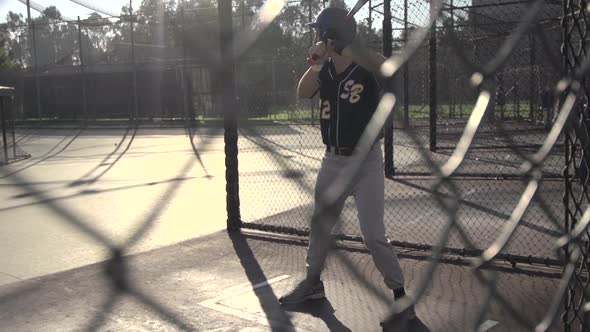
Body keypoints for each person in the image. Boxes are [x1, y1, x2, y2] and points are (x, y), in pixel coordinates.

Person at [278, 5, 416, 322]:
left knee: (372, 234)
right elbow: (303, 91)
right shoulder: (324, 69)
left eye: (319, 32)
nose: (314, 36)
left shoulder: (365, 65)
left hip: (365, 161)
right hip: (332, 160)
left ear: (331, 36)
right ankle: (313, 285)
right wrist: (316, 62)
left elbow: (388, 69)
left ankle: (400, 296)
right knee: (320, 226)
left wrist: (342, 46)